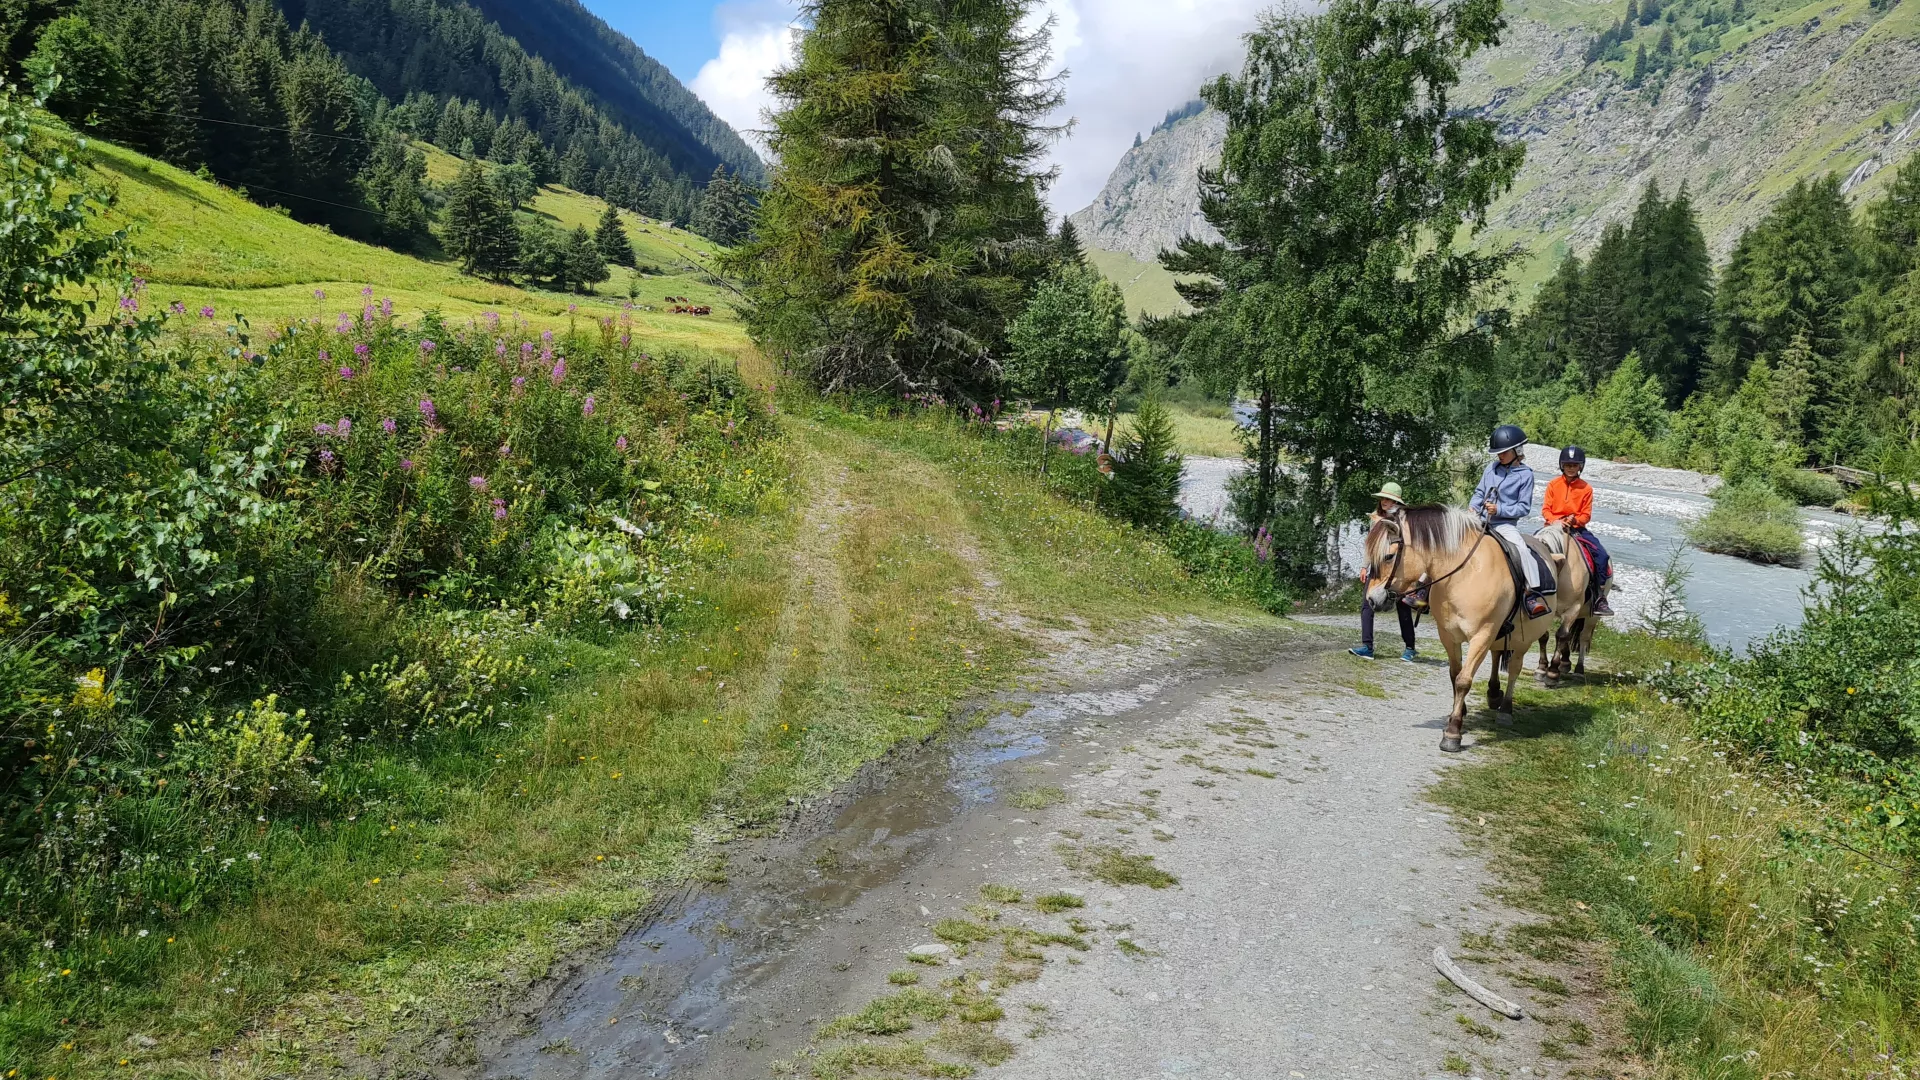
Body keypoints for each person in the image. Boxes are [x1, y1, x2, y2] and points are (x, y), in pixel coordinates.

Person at [1472, 424, 1552, 618]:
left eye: (1504, 452)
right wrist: (1473, 507)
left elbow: (1523, 508)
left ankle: (1531, 593)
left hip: (1503, 525)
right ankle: (1425, 588)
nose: (1500, 456)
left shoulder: (1526, 475)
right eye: (1498, 452)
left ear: (1517, 451)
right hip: (1479, 519)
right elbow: (1479, 492)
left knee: (1521, 548)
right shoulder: (1490, 469)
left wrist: (1499, 509)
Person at [1541, 445, 1614, 615]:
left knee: (1601, 556)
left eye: (1574, 465)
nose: (1571, 468)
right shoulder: (1553, 485)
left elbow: (1586, 515)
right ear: (1562, 466)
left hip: (1577, 530)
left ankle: (1599, 597)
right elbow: (1546, 509)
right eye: (1568, 465)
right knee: (1533, 548)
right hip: (1553, 527)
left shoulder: (1586, 488)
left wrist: (1575, 520)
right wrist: (1556, 521)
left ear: (1581, 466)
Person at [1351, 482, 1419, 662]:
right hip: (1377, 566)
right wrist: (1365, 566)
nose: (1384, 502)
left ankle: (1410, 648)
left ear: (1397, 502)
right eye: (1383, 498)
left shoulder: (1405, 521)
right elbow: (1370, 546)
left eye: (1389, 499)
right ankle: (1367, 647)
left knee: (1403, 606)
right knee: (1367, 603)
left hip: (1397, 568)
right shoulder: (1375, 519)